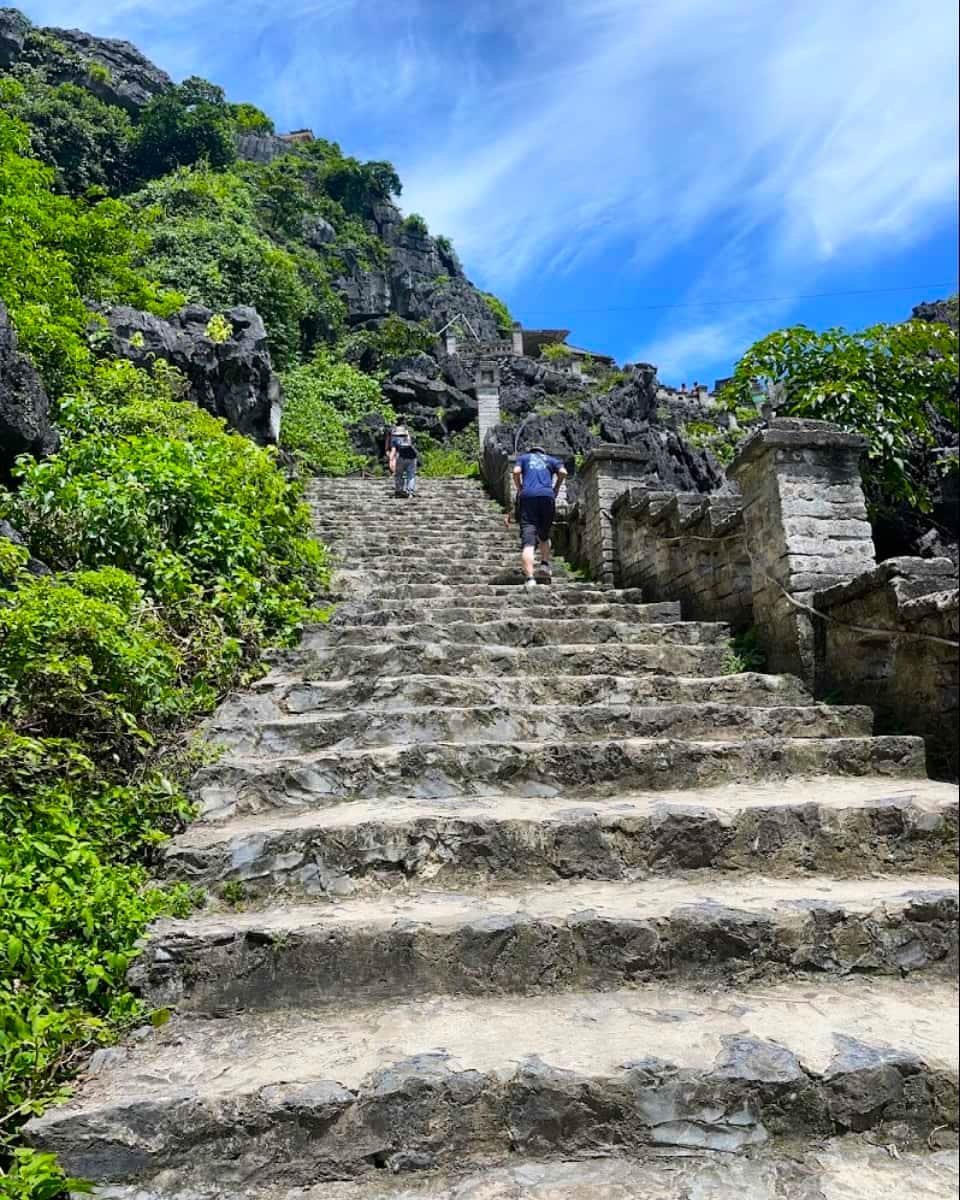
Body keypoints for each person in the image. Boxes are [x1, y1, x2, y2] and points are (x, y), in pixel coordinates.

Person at [511, 445, 567, 589]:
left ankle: (530, 578)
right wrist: (556, 488)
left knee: (528, 541)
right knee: (544, 534)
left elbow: (516, 472)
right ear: (543, 452)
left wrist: (520, 488)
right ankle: (544, 565)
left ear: (531, 452)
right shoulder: (551, 460)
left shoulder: (523, 458)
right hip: (547, 497)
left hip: (528, 498)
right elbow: (563, 472)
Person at [388, 424, 418, 498]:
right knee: (411, 475)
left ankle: (399, 490)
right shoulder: (408, 438)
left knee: (399, 475)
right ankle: (410, 492)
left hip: (401, 457)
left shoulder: (394, 439)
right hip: (412, 457)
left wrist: (391, 460)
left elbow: (393, 451)